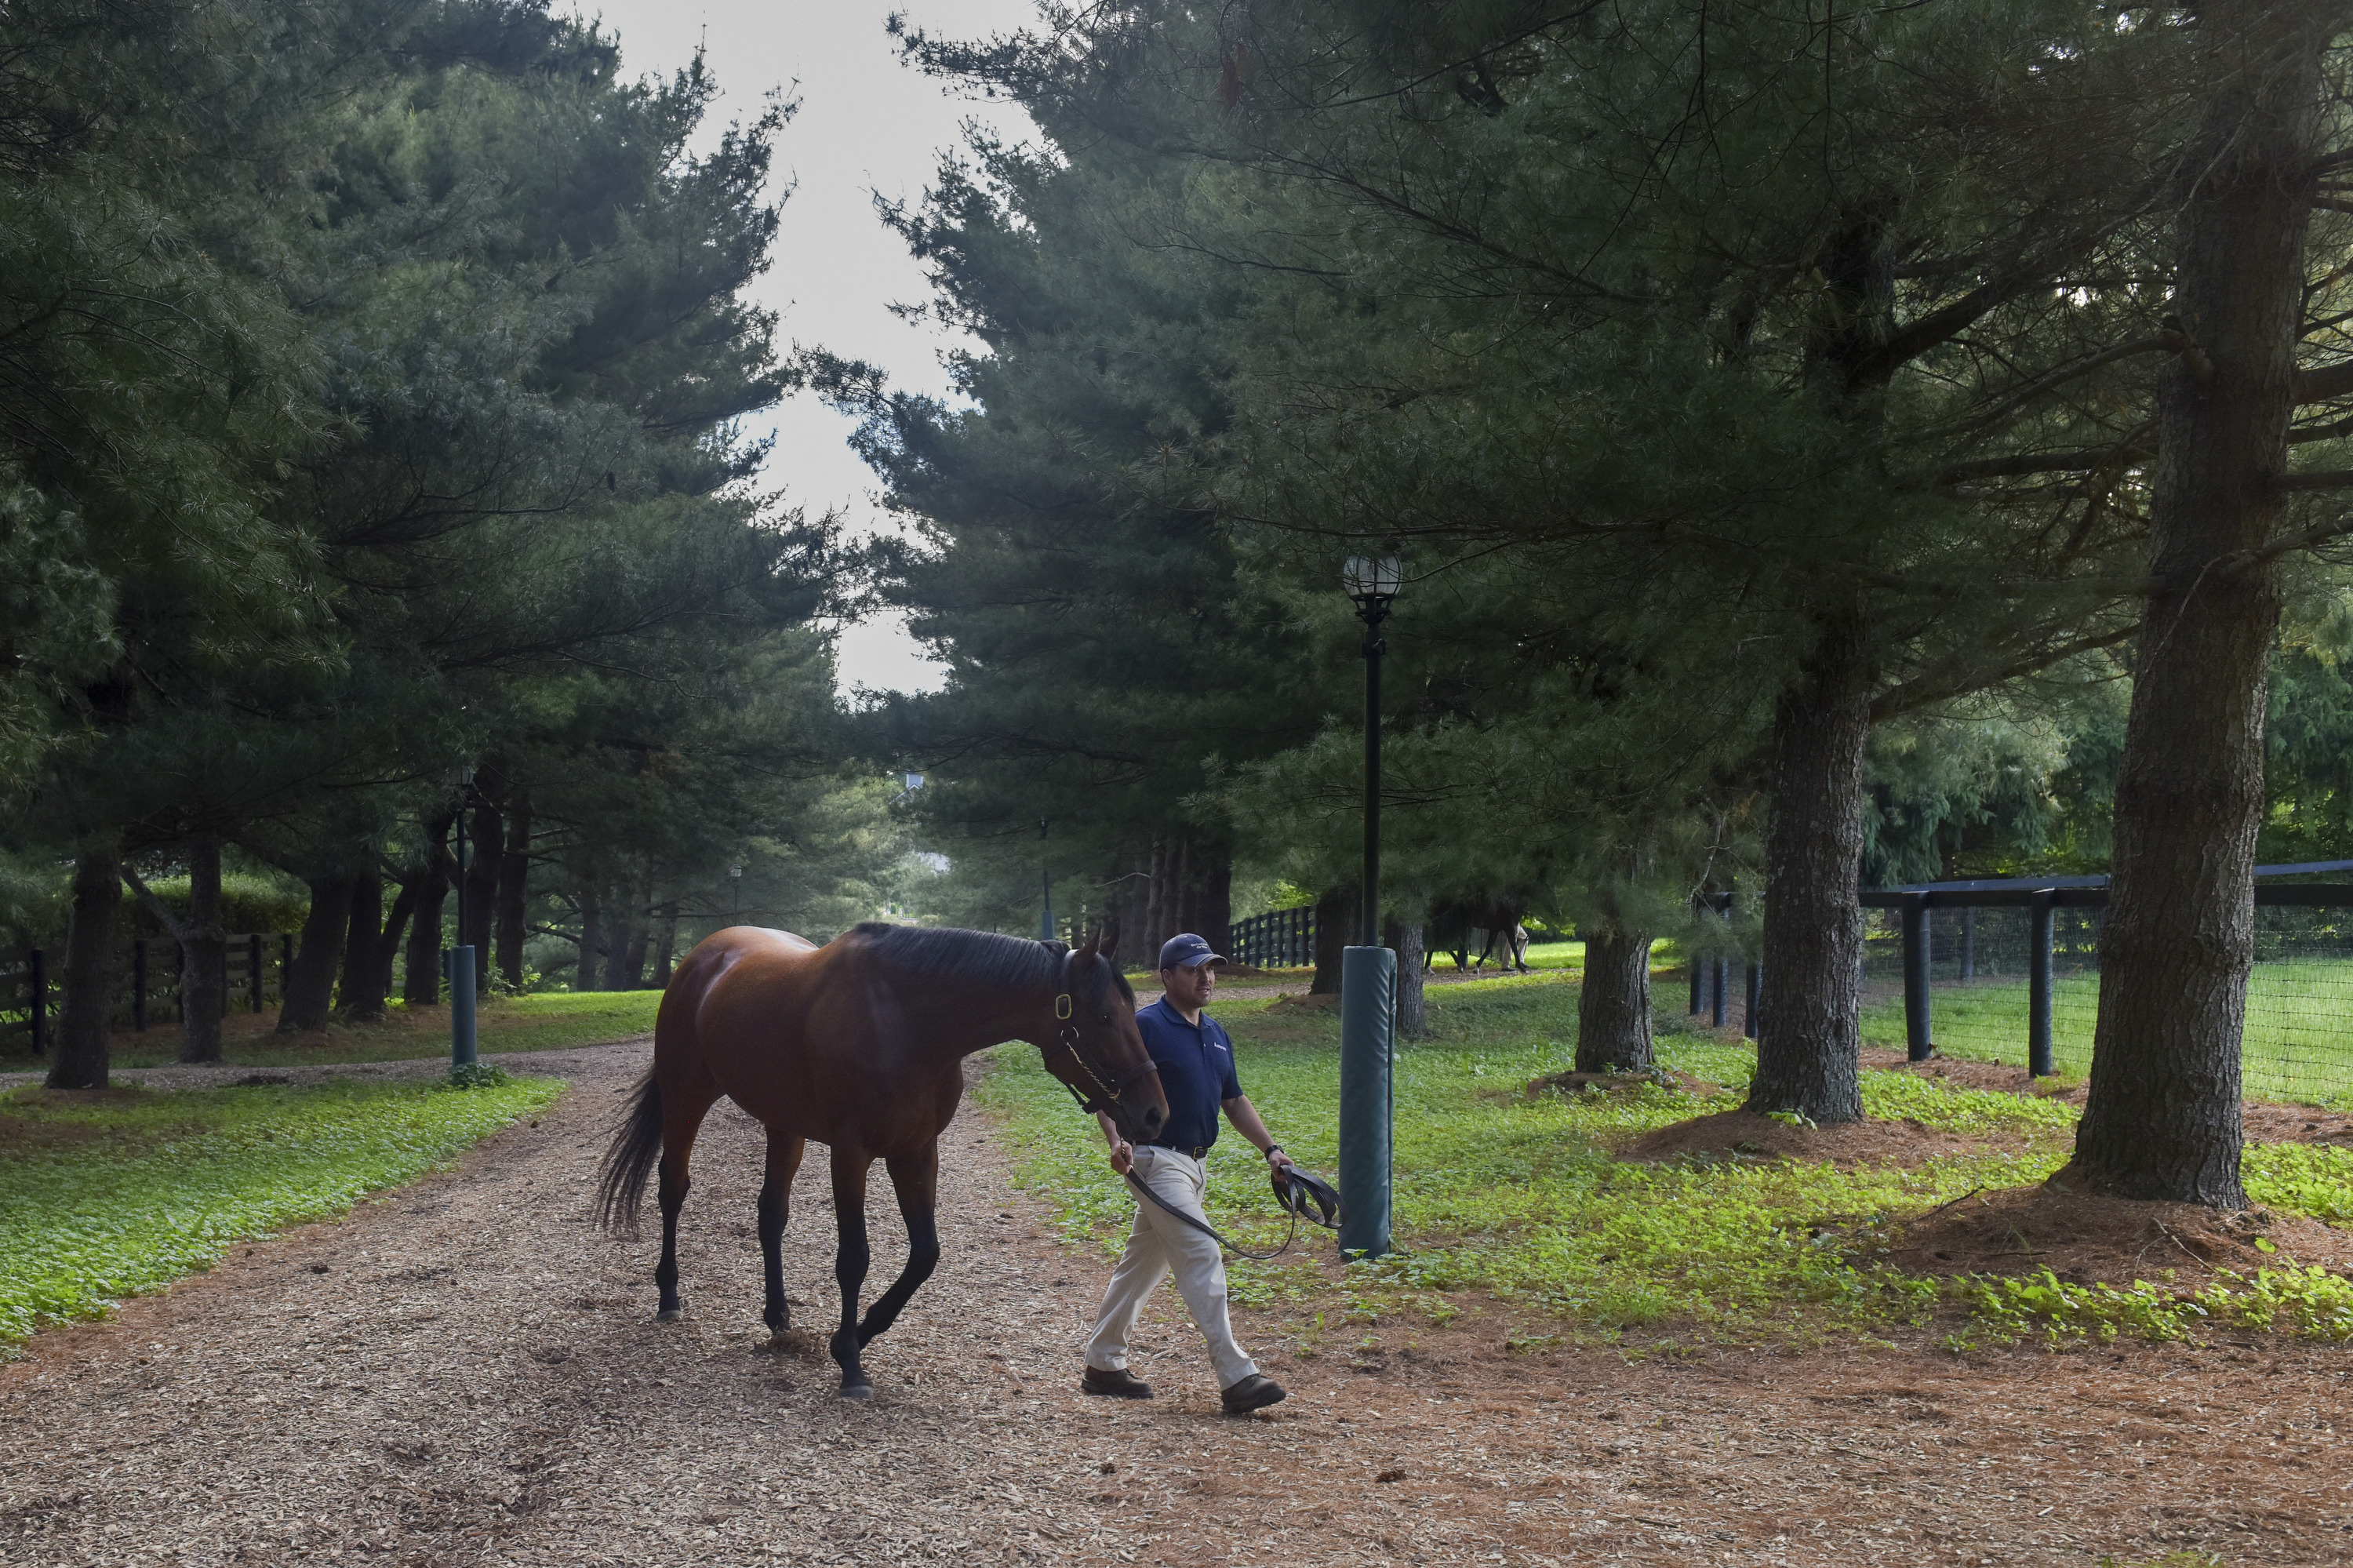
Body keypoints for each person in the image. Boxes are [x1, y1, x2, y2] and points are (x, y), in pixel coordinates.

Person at [1080, 933, 1292, 1416]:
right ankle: (1237, 1377)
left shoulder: (1215, 1033)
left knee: (1141, 1266)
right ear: (1167, 976)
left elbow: (1233, 1101)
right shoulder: (1146, 1027)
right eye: (1194, 969)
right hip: (1157, 1162)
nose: (1206, 977)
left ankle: (1103, 1363)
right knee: (1201, 1251)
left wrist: (1272, 1151)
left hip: (1196, 1165)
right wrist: (1116, 1141)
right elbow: (1107, 1087)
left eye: (1210, 968)